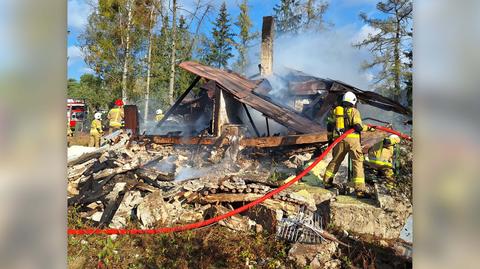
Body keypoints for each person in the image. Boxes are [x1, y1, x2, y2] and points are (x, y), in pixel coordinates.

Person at [323, 91, 375, 198]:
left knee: (336, 160)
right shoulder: (354, 111)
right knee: (357, 162)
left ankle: (327, 182)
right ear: (353, 101)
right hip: (353, 141)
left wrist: (330, 140)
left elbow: (329, 126)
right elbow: (358, 127)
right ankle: (360, 190)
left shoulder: (335, 112)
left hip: (339, 140)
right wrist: (369, 128)